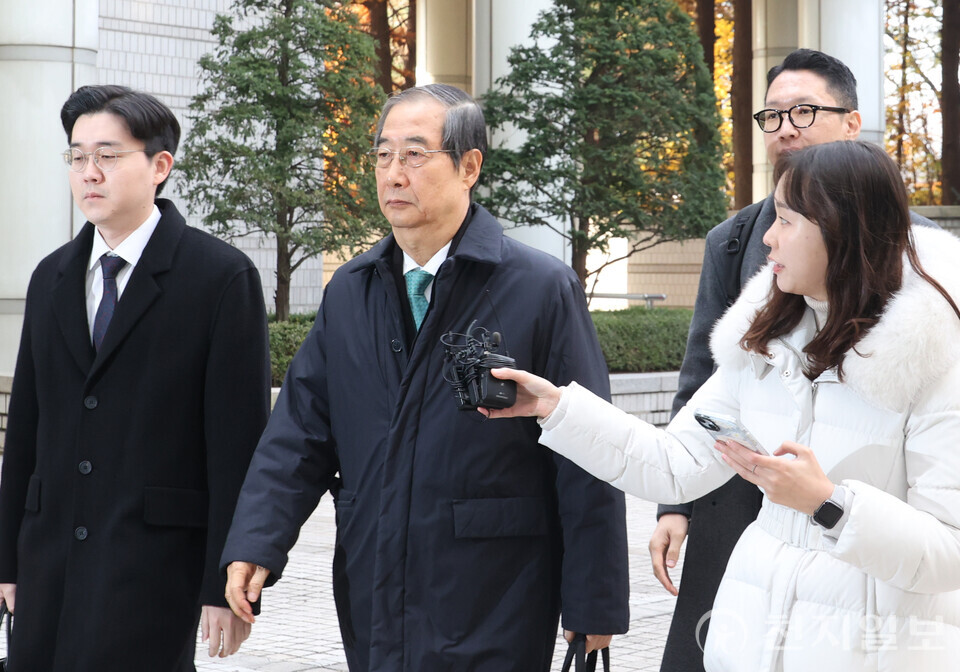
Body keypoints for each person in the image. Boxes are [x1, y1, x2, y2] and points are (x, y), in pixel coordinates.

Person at [484, 139, 960, 671]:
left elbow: (951, 552)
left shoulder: (934, 357)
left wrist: (828, 504)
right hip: (749, 640)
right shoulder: (765, 341)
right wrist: (556, 407)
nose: (768, 238)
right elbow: (673, 464)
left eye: (785, 220)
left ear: (842, 227)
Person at [219, 84, 629, 671]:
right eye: (383, 156)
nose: (392, 174)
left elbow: (588, 451)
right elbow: (298, 433)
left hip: (498, 585)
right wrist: (258, 540)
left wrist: (595, 602)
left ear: (469, 167)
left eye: (414, 154)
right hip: (376, 572)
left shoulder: (540, 288)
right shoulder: (351, 291)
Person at [650, 48, 936, 671]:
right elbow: (705, 375)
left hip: (856, 515)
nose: (787, 128)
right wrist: (675, 504)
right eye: (772, 116)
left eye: (804, 110)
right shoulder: (733, 240)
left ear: (852, 124)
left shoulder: (920, 260)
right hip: (739, 499)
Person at [0, 85, 271, 669]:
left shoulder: (220, 278)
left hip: (154, 566)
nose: (88, 173)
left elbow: (238, 448)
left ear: (160, 166)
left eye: (108, 155)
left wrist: (222, 585)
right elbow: (24, 429)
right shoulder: (51, 277)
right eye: (77, 157)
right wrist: (7, 563)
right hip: (48, 563)